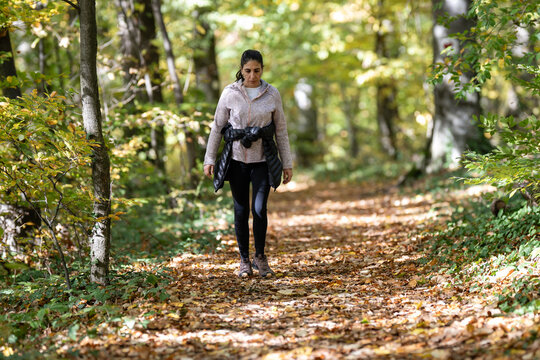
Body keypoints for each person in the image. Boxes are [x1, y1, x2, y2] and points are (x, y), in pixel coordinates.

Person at [203, 49, 293, 278]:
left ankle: (260, 257)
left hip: (263, 160)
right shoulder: (229, 93)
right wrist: (210, 159)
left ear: (262, 69)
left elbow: (281, 130)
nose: (252, 75)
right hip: (236, 161)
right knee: (241, 210)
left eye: (257, 70)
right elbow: (217, 127)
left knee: (260, 209)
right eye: (247, 71)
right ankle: (244, 260)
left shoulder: (272, 93)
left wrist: (287, 163)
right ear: (241, 70)